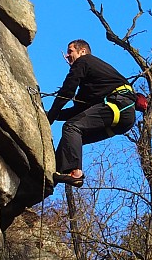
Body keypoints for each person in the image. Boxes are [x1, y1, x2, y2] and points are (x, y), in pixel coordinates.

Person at [46, 40, 136, 186]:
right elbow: (79, 111)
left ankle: (75, 173)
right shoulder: (94, 82)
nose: (67, 56)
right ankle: (55, 175)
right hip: (122, 117)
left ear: (82, 51)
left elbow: (67, 91)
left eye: (70, 51)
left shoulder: (84, 61)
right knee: (70, 137)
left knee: (72, 127)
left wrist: (51, 116)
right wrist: (51, 115)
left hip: (118, 105)